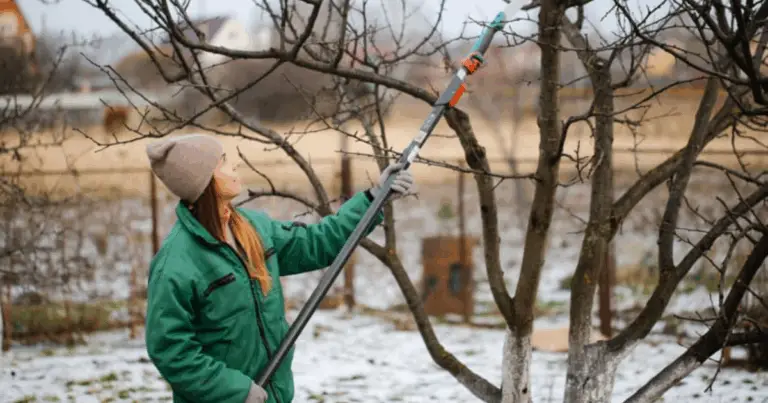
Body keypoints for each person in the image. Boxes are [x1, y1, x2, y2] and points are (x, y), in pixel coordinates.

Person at [143, 134, 415, 403]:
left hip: (274, 393)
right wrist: (236, 391)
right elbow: (171, 351)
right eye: (223, 163)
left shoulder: (253, 229)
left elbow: (317, 243)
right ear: (203, 183)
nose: (234, 166)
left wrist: (373, 197)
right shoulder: (176, 264)